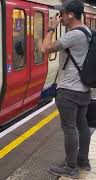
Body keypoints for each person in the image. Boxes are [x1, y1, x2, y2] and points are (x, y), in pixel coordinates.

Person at [41, 0, 92, 178]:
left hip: (70, 89)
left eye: (62, 14)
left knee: (69, 128)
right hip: (83, 88)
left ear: (70, 14)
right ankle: (83, 162)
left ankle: (71, 167)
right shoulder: (87, 31)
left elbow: (45, 48)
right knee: (82, 126)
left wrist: (50, 28)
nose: (60, 17)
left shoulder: (73, 35)